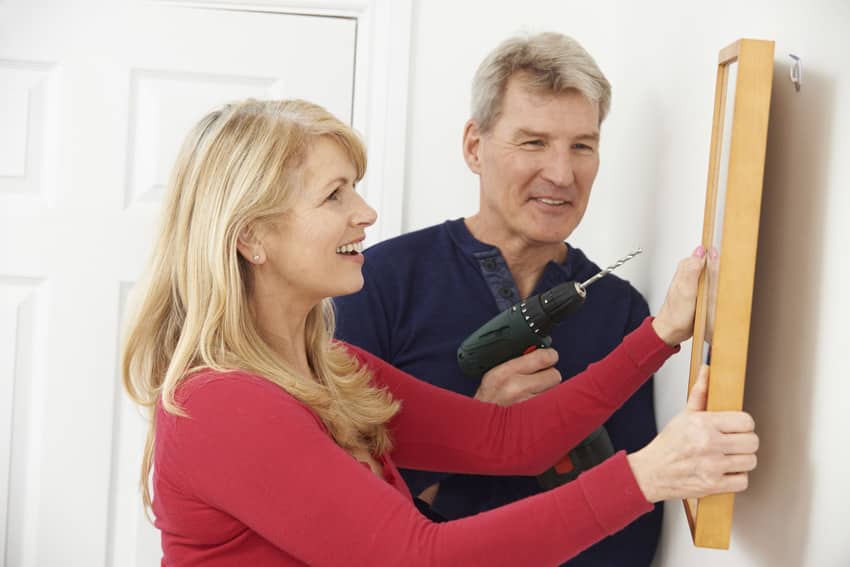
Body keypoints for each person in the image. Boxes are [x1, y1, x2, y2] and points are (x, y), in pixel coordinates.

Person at [121, 98, 758, 566]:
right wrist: (646, 477)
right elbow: (418, 558)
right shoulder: (223, 403)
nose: (365, 214)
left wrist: (661, 332)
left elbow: (511, 441)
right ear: (251, 237)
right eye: (334, 195)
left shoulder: (333, 369)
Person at [334, 32, 663, 564]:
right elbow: (336, 507)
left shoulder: (620, 311)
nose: (561, 173)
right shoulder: (376, 284)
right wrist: (481, 432)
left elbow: (634, 521)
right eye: (533, 142)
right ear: (474, 146)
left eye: (582, 145)